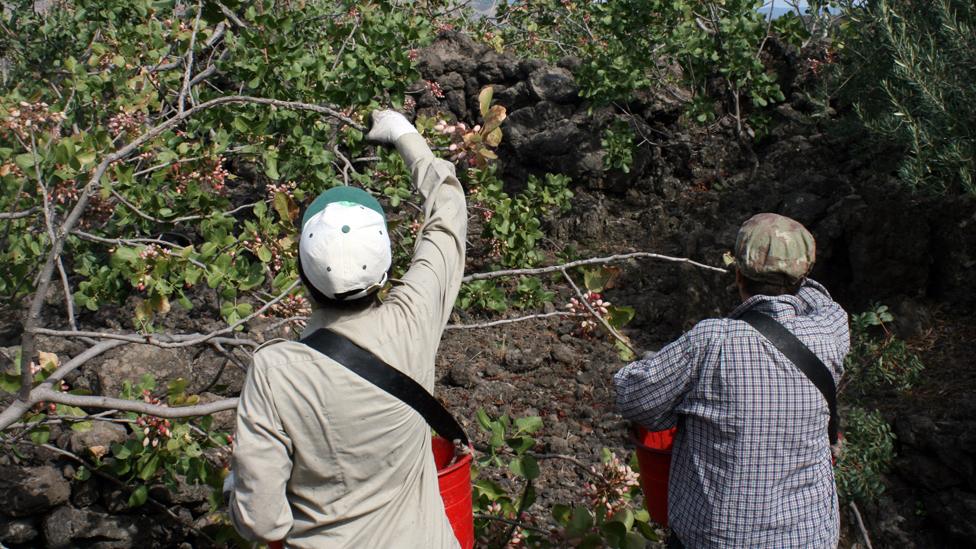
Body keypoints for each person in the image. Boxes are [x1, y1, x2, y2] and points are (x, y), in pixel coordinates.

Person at [224, 110, 466, 548]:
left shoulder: (274, 371)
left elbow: (261, 523)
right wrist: (405, 135)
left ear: (300, 271)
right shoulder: (415, 319)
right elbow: (448, 214)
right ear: (386, 269)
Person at [614, 213, 849, 548]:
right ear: (803, 275)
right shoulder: (831, 332)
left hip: (717, 540)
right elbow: (822, 300)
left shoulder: (711, 342)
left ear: (738, 275)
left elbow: (633, 399)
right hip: (807, 537)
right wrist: (793, 272)